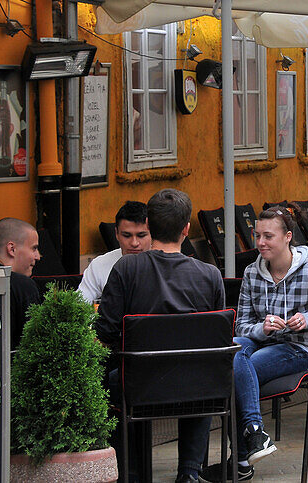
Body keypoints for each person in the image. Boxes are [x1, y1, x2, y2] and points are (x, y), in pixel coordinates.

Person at [201, 203, 308, 482]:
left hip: (300, 349)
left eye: (268, 236)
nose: (260, 242)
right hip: (262, 343)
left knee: (236, 368)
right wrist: (263, 327)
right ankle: (255, 434)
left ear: (287, 237)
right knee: (234, 347)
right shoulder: (252, 273)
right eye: (258, 235)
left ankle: (242, 459)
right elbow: (242, 324)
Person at [95, 189, 225, 483]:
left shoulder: (126, 268)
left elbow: (105, 331)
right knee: (201, 370)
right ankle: (190, 471)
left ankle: (132, 472)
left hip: (139, 386)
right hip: (197, 388)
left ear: (149, 227)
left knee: (112, 378)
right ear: (186, 229)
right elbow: (216, 337)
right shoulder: (210, 275)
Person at [0, 217, 41, 351]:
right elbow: (37, 345)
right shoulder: (23, 287)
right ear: (12, 249)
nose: (38, 256)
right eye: (34, 248)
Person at [79, 201, 151, 304]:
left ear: (153, 234)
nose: (134, 243)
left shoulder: (167, 264)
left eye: (141, 235)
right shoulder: (99, 265)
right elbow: (80, 307)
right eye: (127, 235)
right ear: (116, 233)